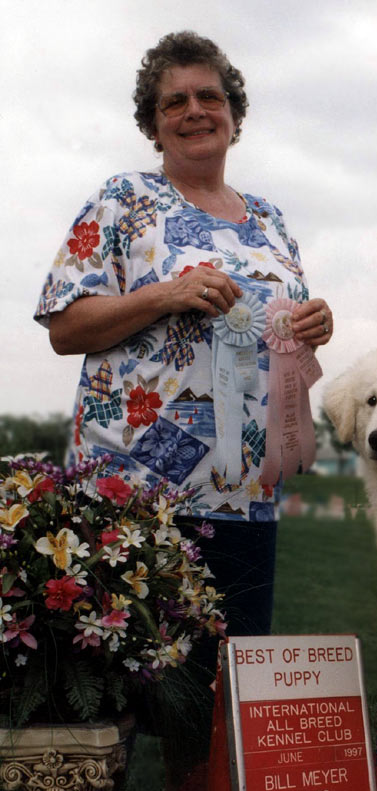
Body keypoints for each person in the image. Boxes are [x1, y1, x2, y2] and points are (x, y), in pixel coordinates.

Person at [34, 31, 332, 734]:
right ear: (153, 121)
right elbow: (65, 328)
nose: (196, 110)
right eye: (176, 101)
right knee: (108, 706)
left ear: (234, 113)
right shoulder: (122, 200)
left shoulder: (272, 220)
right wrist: (163, 295)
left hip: (247, 497)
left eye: (210, 97)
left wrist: (311, 323)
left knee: (221, 709)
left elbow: (279, 334)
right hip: (133, 498)